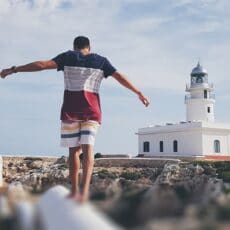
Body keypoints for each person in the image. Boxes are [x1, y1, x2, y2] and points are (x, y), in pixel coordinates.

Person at [0, 36, 150, 203]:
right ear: (89, 47)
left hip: (70, 111)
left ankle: (74, 191)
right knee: (88, 149)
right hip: (92, 112)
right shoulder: (101, 61)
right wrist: (139, 93)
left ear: (74, 46)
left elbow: (41, 65)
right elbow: (119, 76)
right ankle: (84, 193)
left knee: (73, 151)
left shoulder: (68, 57)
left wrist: (14, 69)